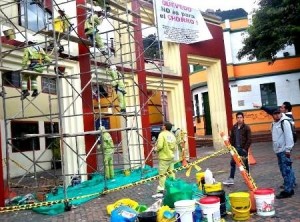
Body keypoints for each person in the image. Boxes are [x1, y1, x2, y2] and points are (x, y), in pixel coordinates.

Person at [271, 109, 296, 198]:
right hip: (278, 150)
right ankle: (290, 184)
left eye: (278, 113)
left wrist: (288, 149)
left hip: (284, 150)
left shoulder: (284, 122)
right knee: (285, 169)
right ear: (273, 115)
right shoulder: (274, 123)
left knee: (286, 170)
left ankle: (288, 190)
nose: (277, 115)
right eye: (275, 114)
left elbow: (289, 136)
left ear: (281, 113)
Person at [223, 112, 252, 185]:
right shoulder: (234, 127)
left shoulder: (246, 128)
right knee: (232, 163)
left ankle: (248, 179)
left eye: (240, 117)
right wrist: (231, 147)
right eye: (238, 118)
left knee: (245, 164)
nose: (239, 119)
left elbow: (249, 139)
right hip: (235, 149)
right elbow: (232, 138)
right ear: (236, 118)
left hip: (242, 149)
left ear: (243, 118)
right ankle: (231, 179)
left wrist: (245, 149)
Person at [153, 122, 176, 198]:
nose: (162, 126)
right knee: (171, 173)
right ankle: (173, 188)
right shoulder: (172, 135)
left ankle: (160, 191)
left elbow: (159, 146)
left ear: (165, 127)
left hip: (164, 157)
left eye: (163, 125)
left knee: (162, 175)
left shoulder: (162, 134)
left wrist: (155, 149)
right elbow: (174, 147)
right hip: (171, 157)